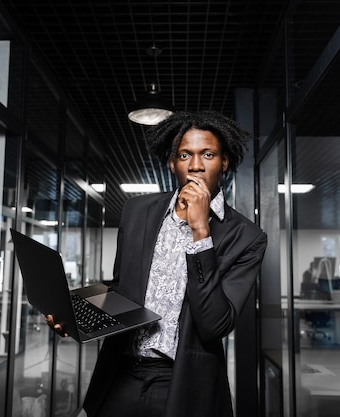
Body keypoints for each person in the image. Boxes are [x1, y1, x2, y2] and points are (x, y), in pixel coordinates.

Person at [46, 110, 267, 417]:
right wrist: (75, 314)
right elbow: (121, 289)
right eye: (185, 155)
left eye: (208, 154)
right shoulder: (137, 210)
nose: (196, 165)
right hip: (121, 374)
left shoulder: (247, 237)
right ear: (172, 163)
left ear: (225, 162)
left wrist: (201, 232)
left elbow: (215, 324)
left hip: (183, 382)